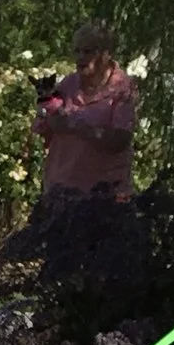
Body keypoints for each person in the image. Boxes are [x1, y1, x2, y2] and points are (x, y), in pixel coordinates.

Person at [34, 20, 137, 207]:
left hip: (104, 195)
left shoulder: (122, 89)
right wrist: (47, 119)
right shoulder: (68, 84)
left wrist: (79, 128)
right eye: (77, 51)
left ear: (107, 54)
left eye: (88, 52)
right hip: (60, 190)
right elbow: (45, 125)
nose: (81, 57)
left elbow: (120, 140)